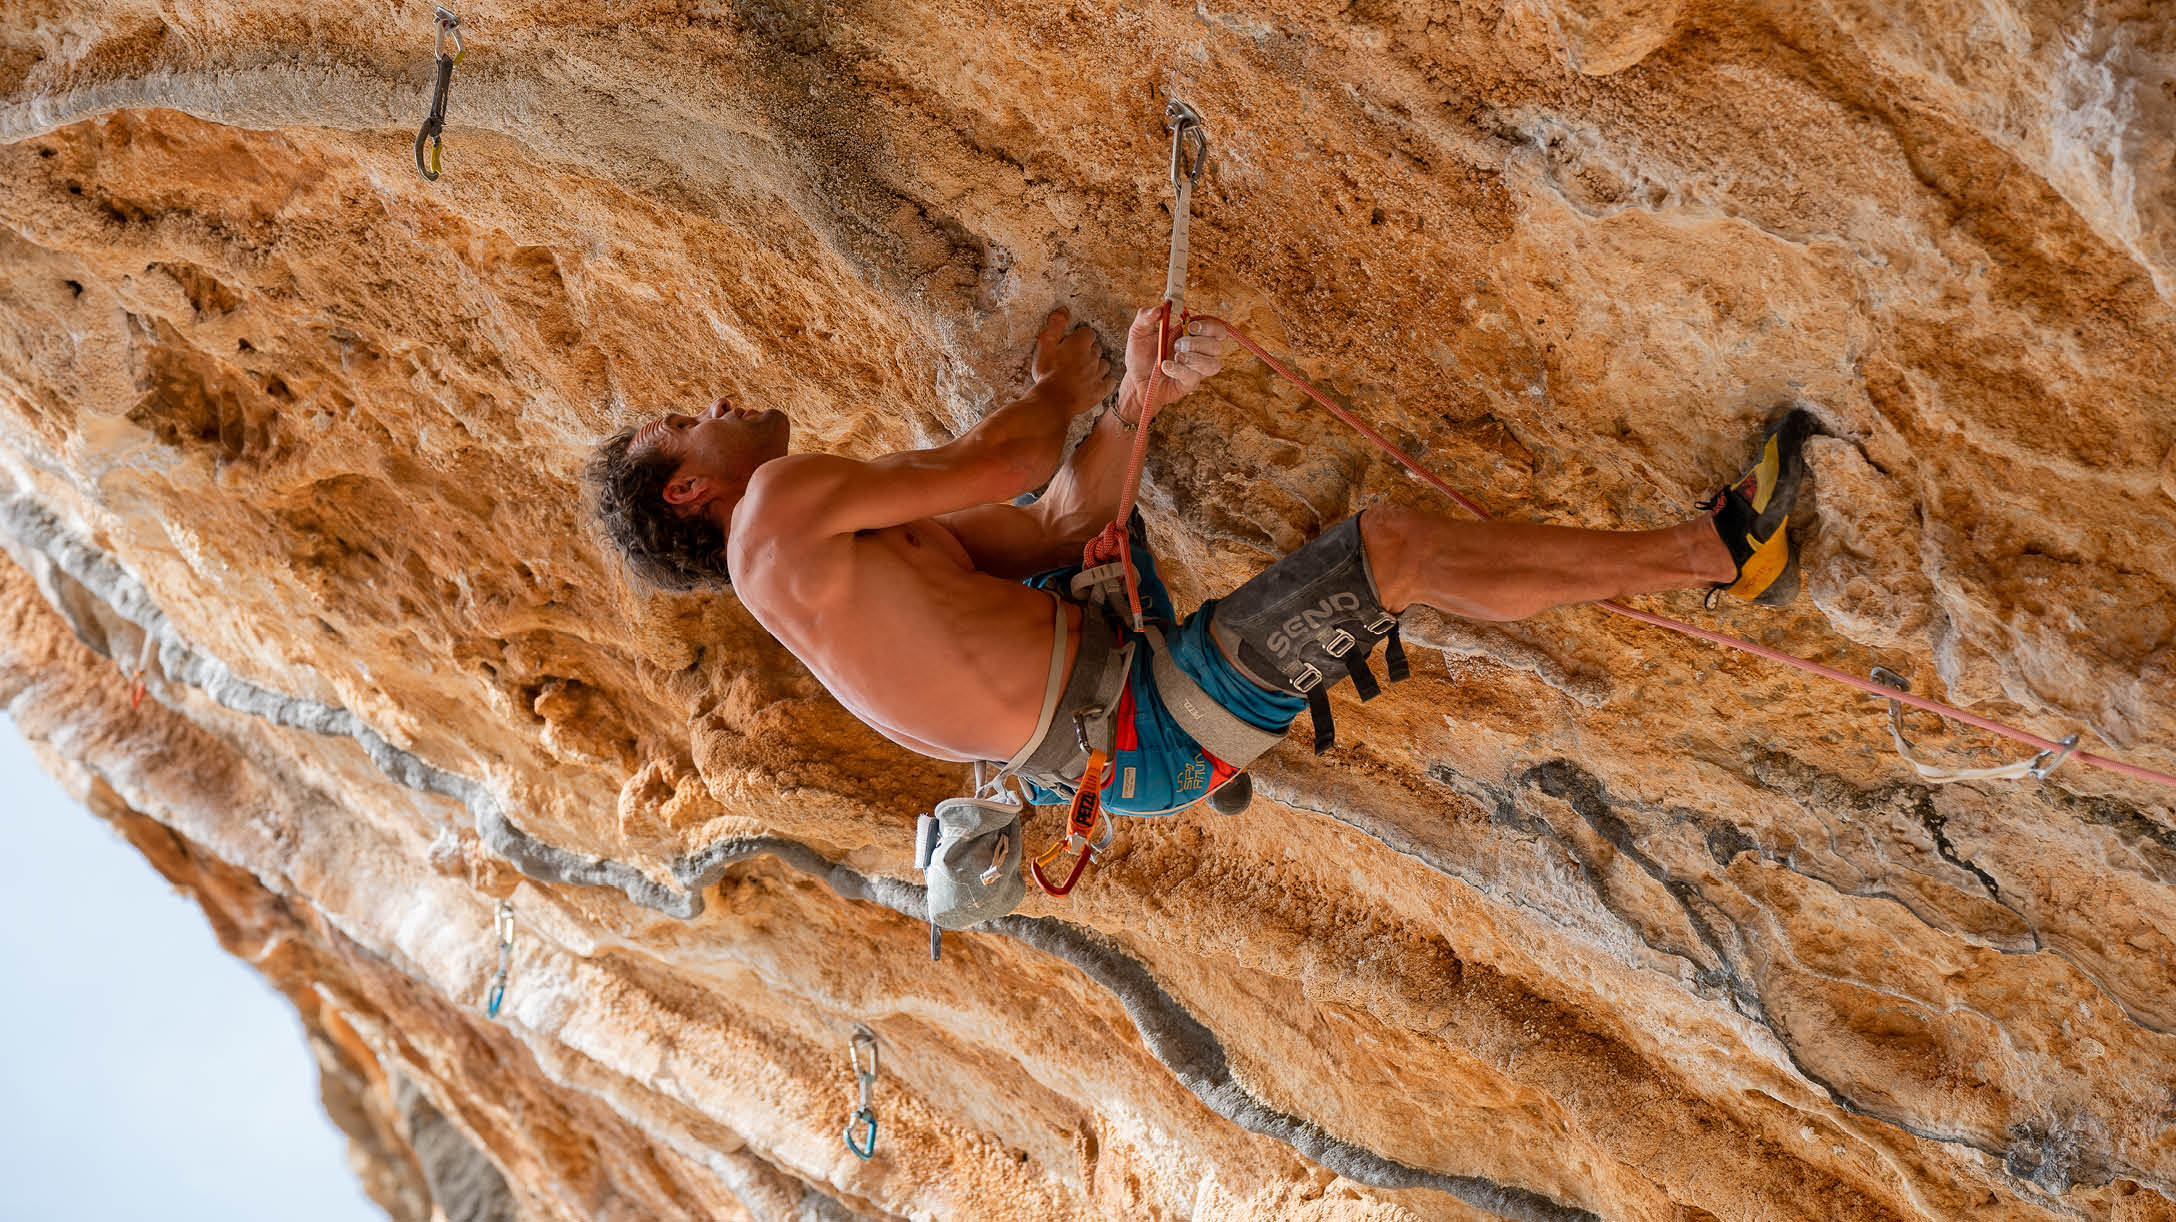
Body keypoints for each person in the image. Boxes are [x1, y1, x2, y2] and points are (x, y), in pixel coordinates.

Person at [586, 305, 1811, 818]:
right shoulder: (774, 519)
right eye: (682, 424)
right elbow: (1015, 455)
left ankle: (1713, 547)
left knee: (1360, 552)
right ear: (691, 489)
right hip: (1146, 720)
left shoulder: (829, 559)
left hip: (1123, 733)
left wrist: (1133, 394)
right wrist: (1061, 382)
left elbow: (1065, 521)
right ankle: (1716, 550)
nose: (718, 400)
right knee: (1390, 547)